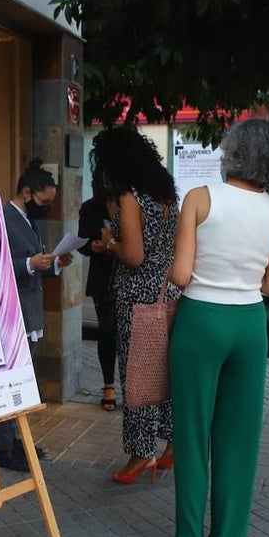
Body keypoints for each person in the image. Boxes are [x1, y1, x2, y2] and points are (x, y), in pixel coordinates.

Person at [164, 119, 269, 537]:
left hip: (201, 320)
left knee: (193, 436)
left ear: (232, 153)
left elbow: (180, 274)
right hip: (250, 325)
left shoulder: (201, 197)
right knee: (239, 440)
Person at [89, 128, 179, 485]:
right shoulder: (167, 197)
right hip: (166, 295)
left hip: (137, 300)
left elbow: (135, 255)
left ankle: (141, 454)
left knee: (138, 378)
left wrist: (111, 243)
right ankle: (173, 445)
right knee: (167, 375)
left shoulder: (130, 197)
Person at [0, 159, 73, 471]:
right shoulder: (2, 218)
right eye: (45, 201)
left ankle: (13, 439)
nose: (48, 208)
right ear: (27, 192)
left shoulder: (26, 219)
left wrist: (53, 263)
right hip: (13, 316)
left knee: (21, 382)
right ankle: (2, 447)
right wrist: (27, 264)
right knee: (9, 382)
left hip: (30, 314)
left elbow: (34, 263)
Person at [77, 188, 119, 411]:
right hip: (102, 277)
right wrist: (91, 246)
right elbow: (81, 241)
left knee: (127, 333)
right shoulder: (91, 207)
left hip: (127, 274)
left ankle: (130, 387)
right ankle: (108, 386)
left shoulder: (130, 201)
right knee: (107, 330)